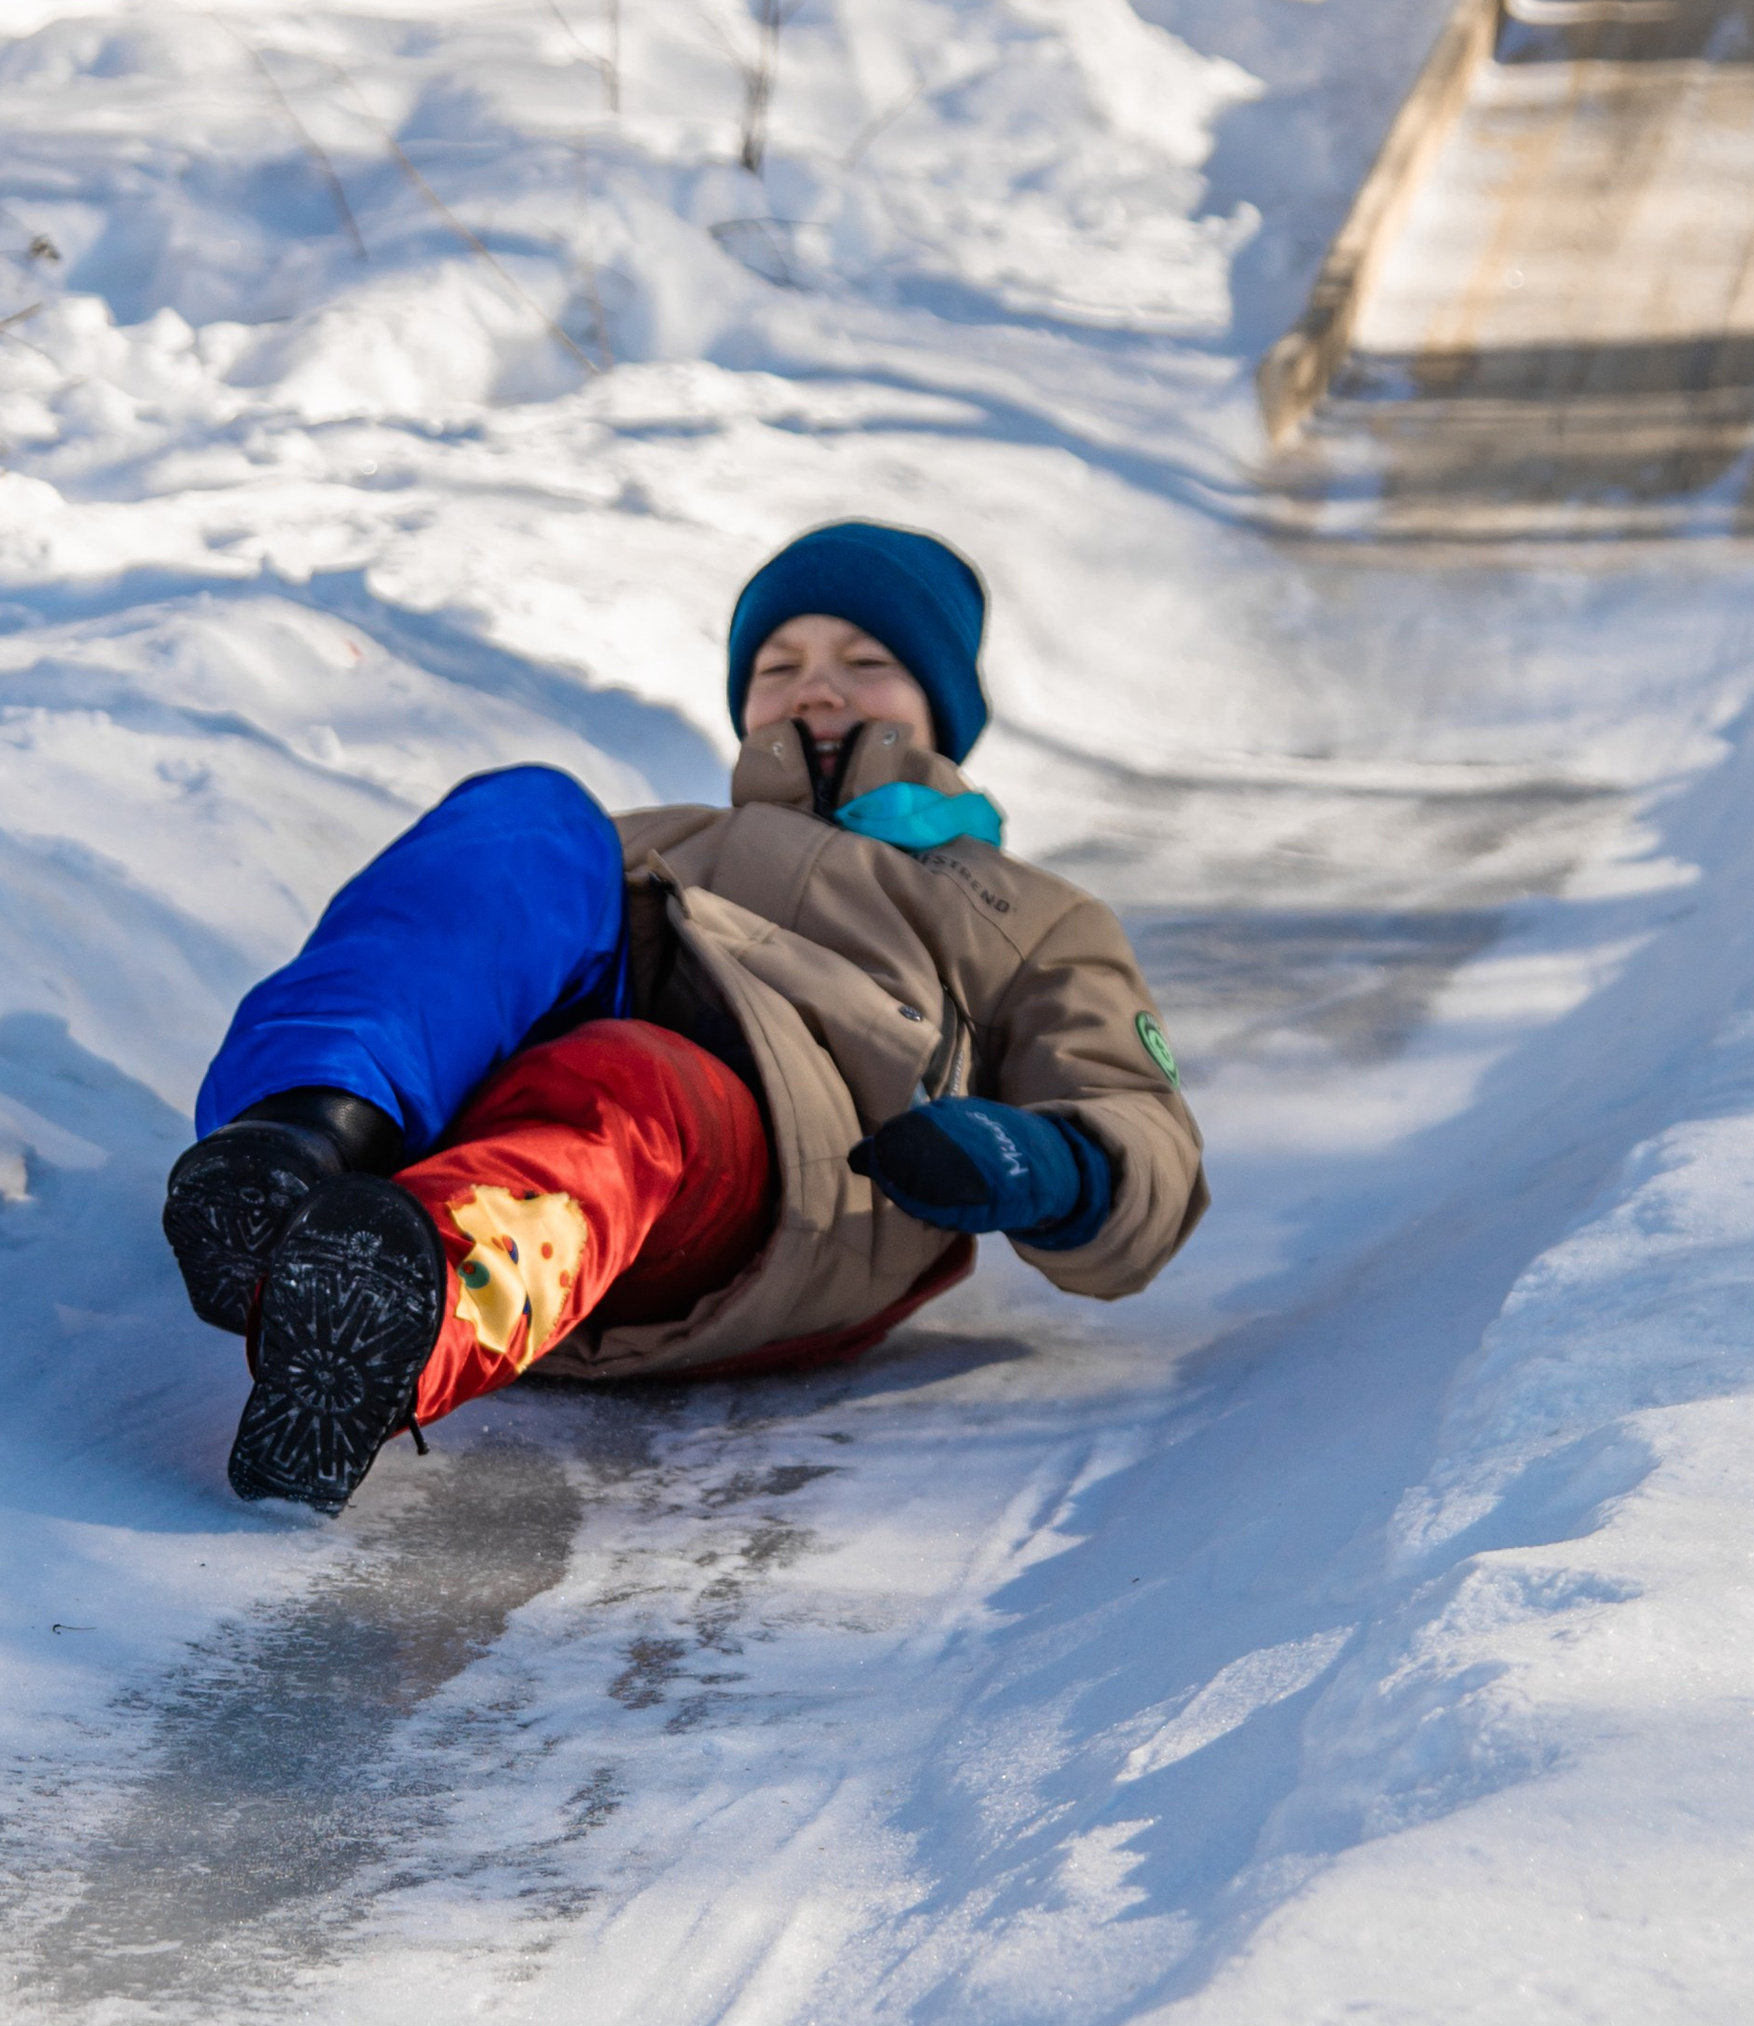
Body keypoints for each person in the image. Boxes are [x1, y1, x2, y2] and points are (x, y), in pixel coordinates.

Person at [163, 522, 1208, 1513]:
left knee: (631, 1076)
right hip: (547, 1134)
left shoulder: (1027, 913)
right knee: (524, 823)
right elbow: (468, 933)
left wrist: (1047, 1163)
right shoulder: (674, 836)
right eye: (779, 665)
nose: (817, 687)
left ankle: (400, 1316)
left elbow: (1135, 1119)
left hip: (791, 1205)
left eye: (865, 659)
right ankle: (301, 1145)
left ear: (942, 701)